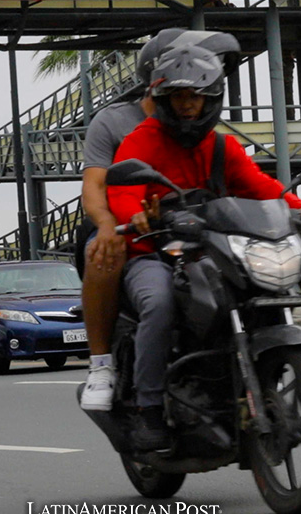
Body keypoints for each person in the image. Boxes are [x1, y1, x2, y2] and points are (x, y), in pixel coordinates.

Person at [108, 44, 301, 451]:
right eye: (178, 97)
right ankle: (148, 408)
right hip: (152, 251)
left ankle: (249, 382)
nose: (188, 106)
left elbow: (263, 188)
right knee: (159, 303)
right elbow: (122, 192)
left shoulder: (222, 147)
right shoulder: (143, 141)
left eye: (196, 97)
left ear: (211, 99)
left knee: (255, 289)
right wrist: (137, 214)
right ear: (163, 98)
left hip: (209, 247)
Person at [79, 28, 241, 411]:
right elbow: (96, 186)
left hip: (193, 232)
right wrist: (111, 221)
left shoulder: (200, 123)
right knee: (107, 250)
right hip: (126, 228)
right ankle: (101, 365)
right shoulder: (116, 123)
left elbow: (239, 182)